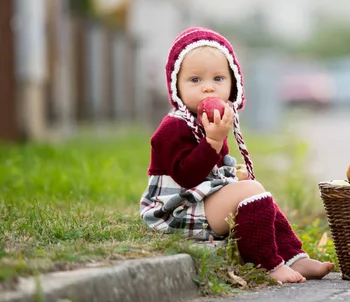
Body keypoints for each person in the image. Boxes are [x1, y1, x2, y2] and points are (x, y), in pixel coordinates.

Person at [139, 27, 334, 283]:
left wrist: (229, 174)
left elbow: (211, 170)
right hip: (177, 211)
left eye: (218, 79)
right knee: (251, 190)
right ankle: (268, 264)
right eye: (195, 80)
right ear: (176, 87)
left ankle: (295, 257)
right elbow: (187, 176)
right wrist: (214, 140)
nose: (208, 88)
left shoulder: (210, 120)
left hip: (200, 202)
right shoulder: (172, 127)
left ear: (233, 85)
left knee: (254, 191)